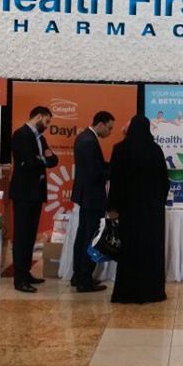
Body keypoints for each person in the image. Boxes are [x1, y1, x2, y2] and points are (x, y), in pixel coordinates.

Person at [107, 115, 169, 304]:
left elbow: (115, 181)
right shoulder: (155, 150)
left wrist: (113, 207)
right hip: (152, 211)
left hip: (129, 210)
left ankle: (127, 292)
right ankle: (153, 291)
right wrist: (158, 202)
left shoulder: (120, 149)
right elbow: (164, 182)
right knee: (151, 250)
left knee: (129, 250)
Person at [9, 106, 58, 293]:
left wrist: (41, 158)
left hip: (37, 193)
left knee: (30, 236)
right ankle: (19, 279)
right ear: (38, 117)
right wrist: (42, 159)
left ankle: (26, 272)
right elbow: (29, 162)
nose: (47, 126)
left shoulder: (41, 139)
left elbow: (54, 160)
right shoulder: (21, 135)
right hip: (23, 193)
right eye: (46, 121)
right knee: (22, 236)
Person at [71, 111, 115, 293]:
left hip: (86, 196)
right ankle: (84, 279)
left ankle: (78, 275)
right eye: (109, 128)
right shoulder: (89, 141)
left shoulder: (85, 138)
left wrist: (109, 166)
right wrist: (115, 171)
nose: (110, 132)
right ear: (101, 124)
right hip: (92, 197)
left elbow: (96, 166)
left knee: (83, 236)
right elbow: (95, 173)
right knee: (90, 238)